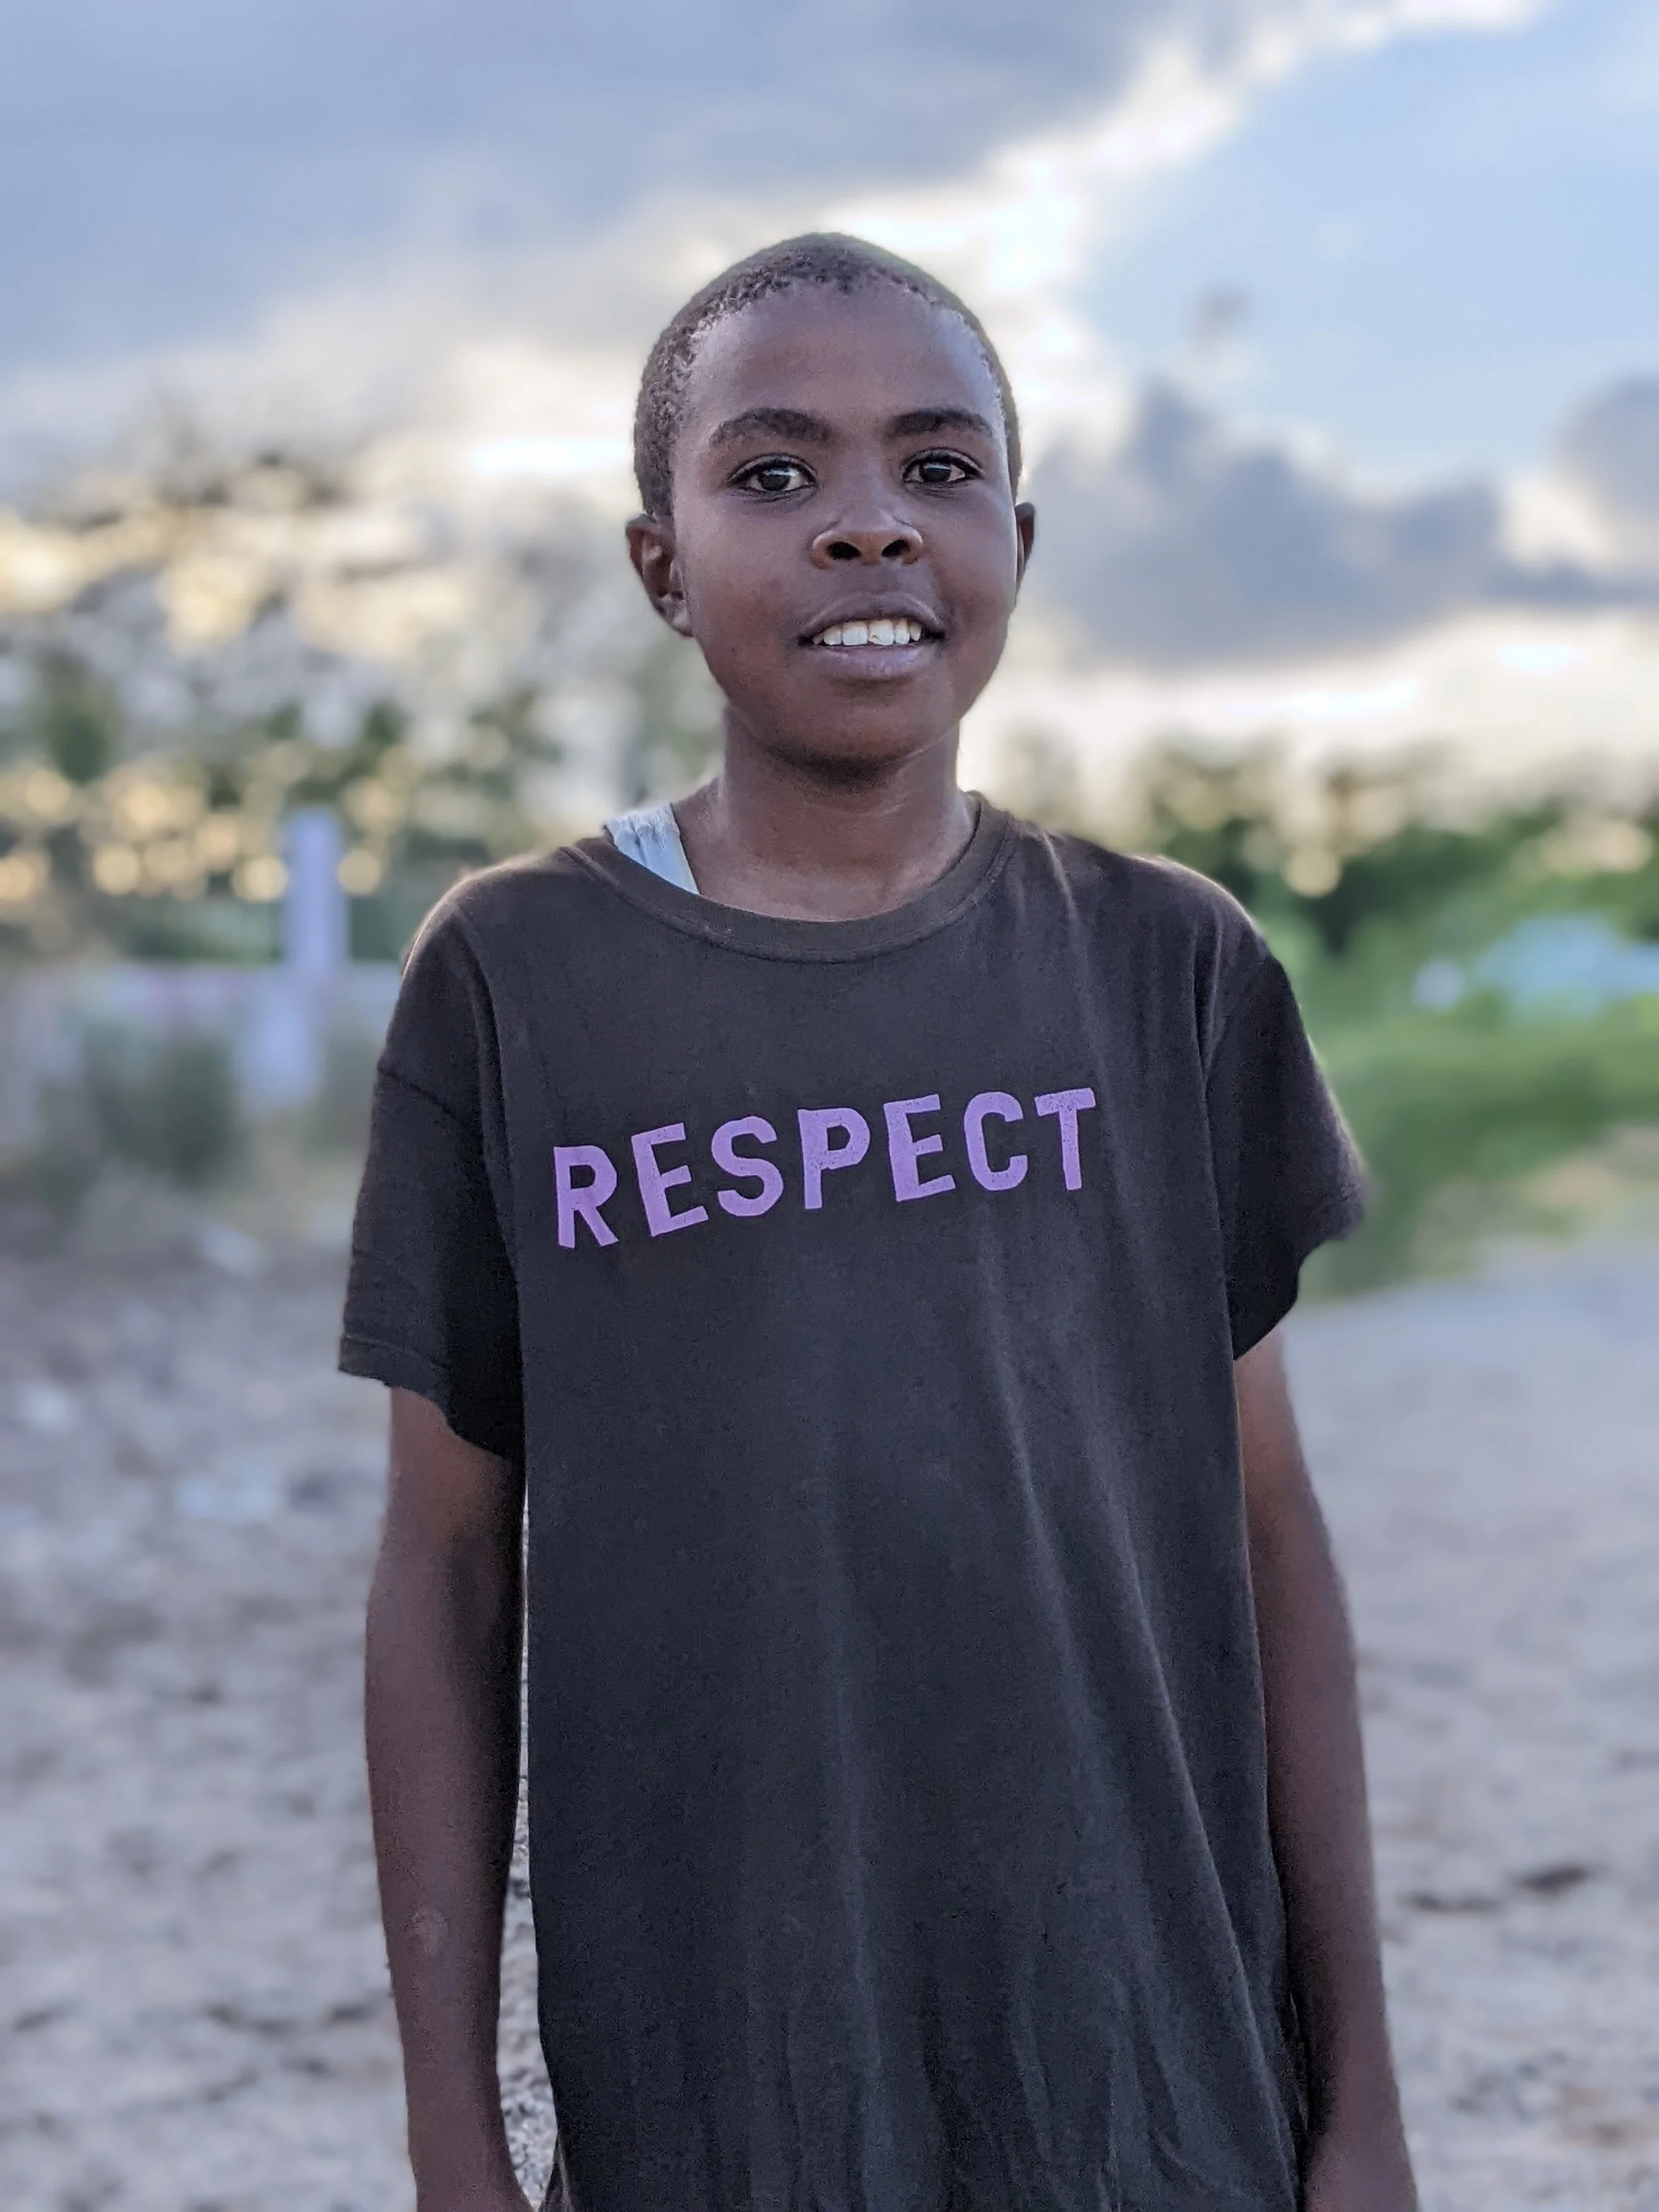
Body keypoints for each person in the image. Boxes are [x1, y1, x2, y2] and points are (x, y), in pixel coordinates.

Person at [342, 234, 1418, 2212]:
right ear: (660, 562)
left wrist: (1358, 2109)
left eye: (936, 469)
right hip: (721, 2102)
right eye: (773, 474)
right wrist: (452, 2143)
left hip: (1150, 2089)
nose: (866, 525)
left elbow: (1266, 1526)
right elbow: (445, 1564)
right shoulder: (516, 977)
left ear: (1016, 538)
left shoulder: (1164, 966)